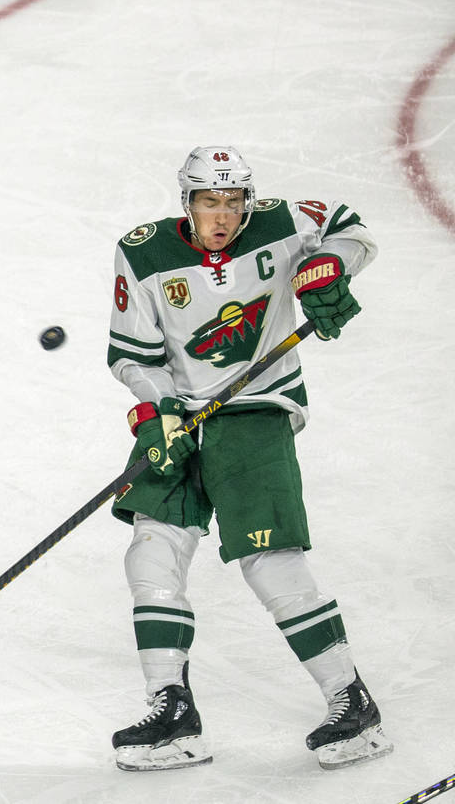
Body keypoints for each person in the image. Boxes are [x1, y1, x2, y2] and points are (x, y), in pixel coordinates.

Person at [105, 146, 392, 771]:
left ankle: (352, 700)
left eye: (234, 202)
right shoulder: (145, 250)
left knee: (267, 560)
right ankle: (172, 711)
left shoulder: (281, 222)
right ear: (188, 202)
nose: (224, 216)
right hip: (181, 417)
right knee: (152, 550)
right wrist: (157, 409)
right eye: (211, 202)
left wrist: (325, 267)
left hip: (256, 408)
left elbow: (352, 228)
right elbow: (132, 356)